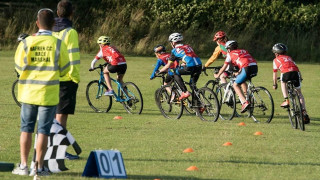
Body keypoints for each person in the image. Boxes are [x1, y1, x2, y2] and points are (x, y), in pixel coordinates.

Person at [12, 8, 70, 176]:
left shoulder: (26, 42)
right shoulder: (58, 43)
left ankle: (23, 165)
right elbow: (65, 69)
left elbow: (18, 67)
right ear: (54, 24)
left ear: (37, 23)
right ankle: (39, 167)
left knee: (26, 129)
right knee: (43, 131)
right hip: (48, 94)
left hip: (28, 92)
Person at [52, 0, 81, 160]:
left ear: (57, 12)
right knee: (61, 117)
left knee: (52, 116)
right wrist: (75, 79)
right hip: (66, 79)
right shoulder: (70, 32)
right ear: (71, 14)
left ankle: (55, 148)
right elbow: (73, 57)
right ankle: (60, 151)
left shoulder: (50, 30)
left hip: (50, 78)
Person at [214, 40, 258, 113]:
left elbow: (224, 67)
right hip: (254, 67)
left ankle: (244, 102)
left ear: (228, 49)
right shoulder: (243, 51)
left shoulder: (230, 54)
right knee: (242, 81)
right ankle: (248, 98)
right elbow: (243, 60)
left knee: (235, 85)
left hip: (246, 67)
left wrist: (217, 75)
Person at [272, 43, 310, 124]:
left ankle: (286, 100)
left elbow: (275, 73)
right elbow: (297, 68)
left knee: (283, 82)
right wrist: (301, 77)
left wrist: (275, 84)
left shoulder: (275, 60)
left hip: (285, 73)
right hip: (295, 73)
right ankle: (304, 112)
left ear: (276, 53)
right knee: (299, 93)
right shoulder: (289, 58)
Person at [159, 33, 202, 100]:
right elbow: (190, 57)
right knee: (192, 85)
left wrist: (160, 71)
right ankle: (199, 105)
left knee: (175, 72)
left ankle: (185, 92)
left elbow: (168, 65)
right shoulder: (188, 46)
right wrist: (184, 63)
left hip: (190, 66)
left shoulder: (174, 50)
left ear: (173, 42)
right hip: (199, 65)